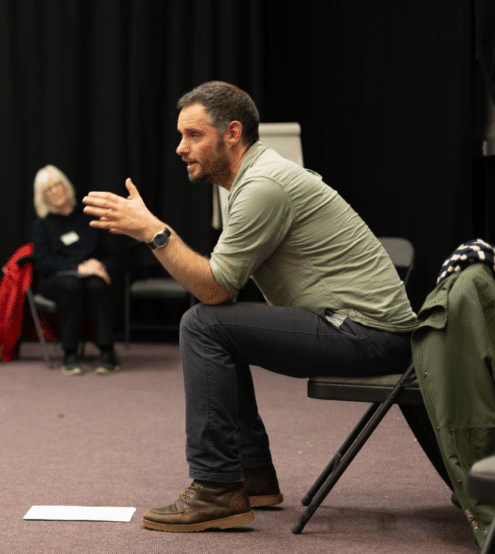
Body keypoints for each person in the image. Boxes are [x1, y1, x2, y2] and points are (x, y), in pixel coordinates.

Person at [82, 81, 417, 533]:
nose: (180, 148)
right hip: (360, 328)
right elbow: (224, 290)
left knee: (203, 324)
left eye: (194, 135)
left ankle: (218, 489)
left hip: (368, 334)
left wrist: (154, 233)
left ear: (232, 132)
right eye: (180, 136)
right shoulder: (249, 181)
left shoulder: (263, 185)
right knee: (215, 325)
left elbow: (215, 292)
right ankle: (252, 476)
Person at [31, 165, 118, 375]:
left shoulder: (87, 217)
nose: (55, 191)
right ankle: (69, 352)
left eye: (58, 184)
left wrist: (100, 266)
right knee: (71, 285)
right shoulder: (42, 226)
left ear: (66, 187)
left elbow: (108, 255)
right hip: (56, 279)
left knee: (96, 284)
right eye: (48, 189)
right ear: (43, 197)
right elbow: (43, 263)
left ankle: (106, 350)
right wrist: (77, 267)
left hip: (90, 276)